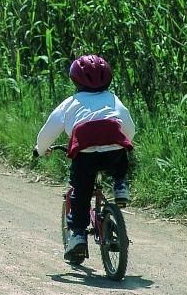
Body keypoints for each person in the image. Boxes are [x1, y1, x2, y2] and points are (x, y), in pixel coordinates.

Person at [34, 54, 136, 260]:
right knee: (121, 155)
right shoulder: (113, 100)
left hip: (86, 156)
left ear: (75, 80)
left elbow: (49, 131)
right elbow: (129, 129)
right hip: (113, 154)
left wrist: (39, 149)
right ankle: (120, 185)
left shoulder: (70, 103)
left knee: (80, 194)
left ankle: (78, 235)